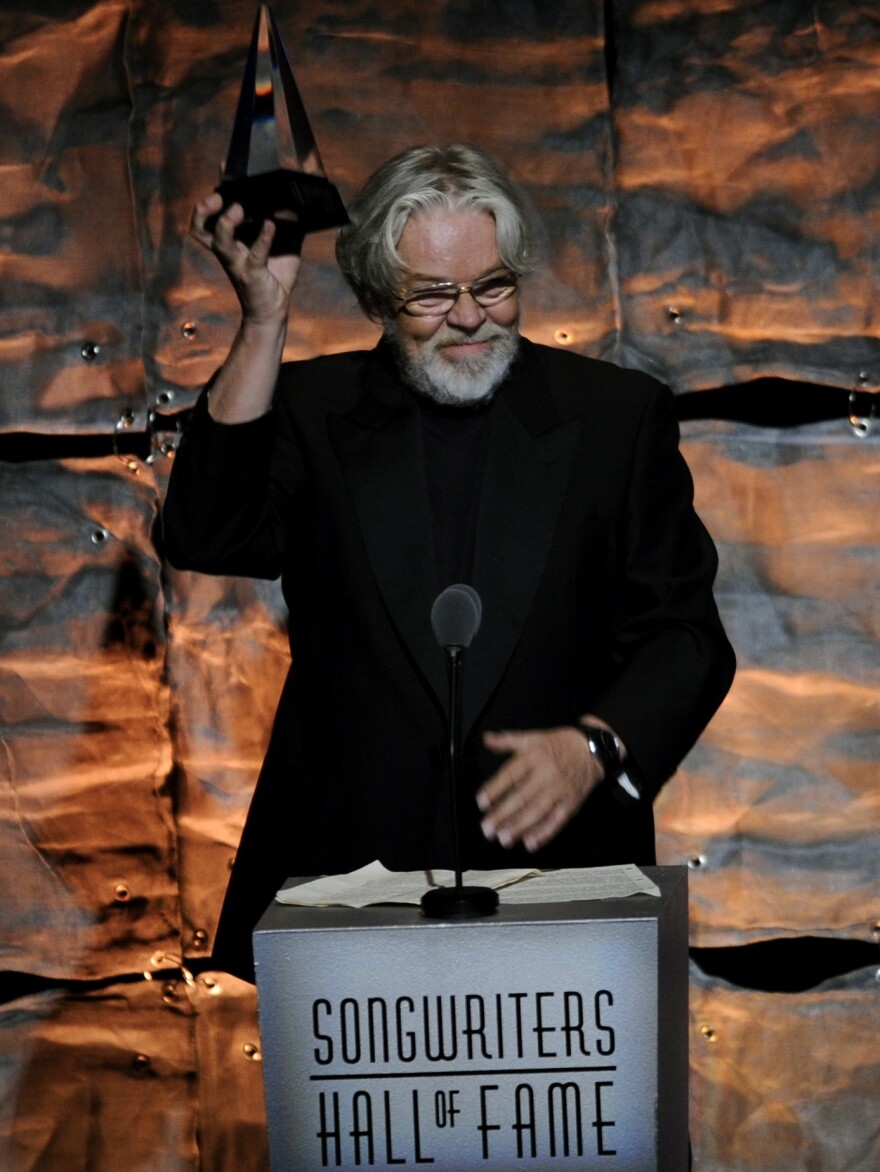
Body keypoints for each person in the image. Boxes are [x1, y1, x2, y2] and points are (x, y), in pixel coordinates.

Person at [162, 143, 735, 982]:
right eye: (432, 295)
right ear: (376, 299)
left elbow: (686, 636)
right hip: (350, 885)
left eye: (493, 285)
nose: (469, 316)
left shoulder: (616, 418)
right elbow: (206, 534)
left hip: (559, 877)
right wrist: (263, 322)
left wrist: (594, 748)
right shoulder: (314, 412)